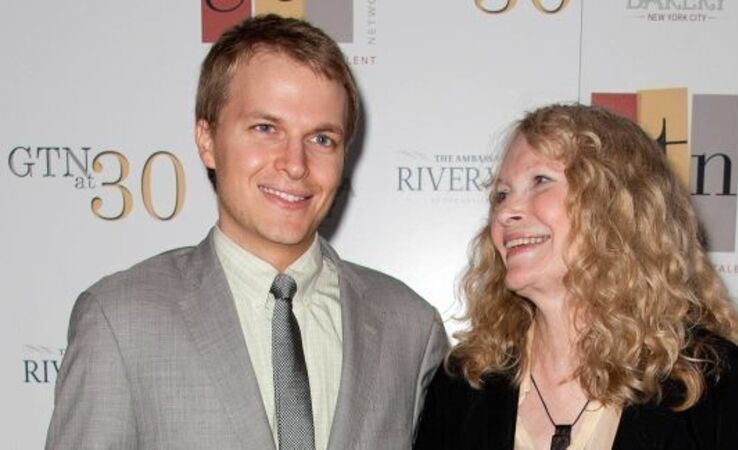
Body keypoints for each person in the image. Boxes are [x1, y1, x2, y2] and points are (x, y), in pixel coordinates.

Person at [46, 14, 448, 450]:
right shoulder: (121, 319)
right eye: (266, 129)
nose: (295, 164)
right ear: (207, 140)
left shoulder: (410, 327)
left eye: (321, 139)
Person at [414, 104, 738, 449]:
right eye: (501, 195)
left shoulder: (711, 382)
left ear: (614, 203)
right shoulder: (465, 383)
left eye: (540, 181)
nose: (507, 211)